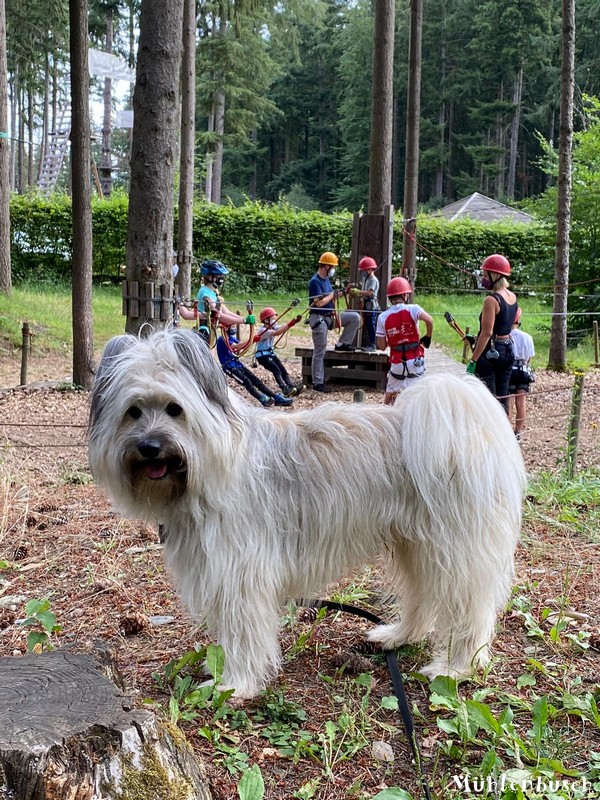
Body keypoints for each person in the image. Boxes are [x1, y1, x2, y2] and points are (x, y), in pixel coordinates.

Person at [466, 254, 518, 413]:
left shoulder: (491, 300)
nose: (483, 278)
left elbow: (487, 333)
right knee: (502, 397)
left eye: (485, 274)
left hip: (491, 352)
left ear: (494, 275)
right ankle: (506, 432)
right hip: (508, 349)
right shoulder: (512, 296)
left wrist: (473, 359)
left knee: (487, 399)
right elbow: (503, 326)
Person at [308, 251, 361, 393]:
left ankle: (342, 343)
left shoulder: (326, 281)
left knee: (354, 318)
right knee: (320, 350)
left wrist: (344, 291)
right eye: (332, 267)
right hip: (319, 319)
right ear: (325, 266)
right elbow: (319, 303)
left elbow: (331, 296)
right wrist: (332, 294)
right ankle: (317, 382)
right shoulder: (315, 282)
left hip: (330, 317)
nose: (333, 270)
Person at [376, 276, 434, 405]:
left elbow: (381, 346)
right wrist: (428, 337)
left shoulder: (382, 317)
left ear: (390, 298)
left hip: (397, 363)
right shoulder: (413, 309)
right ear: (405, 295)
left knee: (390, 396)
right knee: (419, 396)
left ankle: (385, 417)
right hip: (415, 360)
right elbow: (429, 320)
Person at [216, 325, 293, 407]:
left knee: (256, 381)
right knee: (247, 382)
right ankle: (262, 399)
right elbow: (236, 347)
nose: (234, 328)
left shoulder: (231, 338)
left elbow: (242, 345)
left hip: (238, 365)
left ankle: (275, 397)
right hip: (230, 368)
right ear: (226, 327)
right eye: (233, 326)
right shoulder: (222, 339)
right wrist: (252, 339)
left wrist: (252, 340)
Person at [254, 307, 304, 397]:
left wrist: (294, 322)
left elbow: (281, 328)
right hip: (262, 356)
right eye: (272, 319)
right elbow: (277, 333)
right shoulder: (263, 331)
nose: (275, 321)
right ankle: (284, 388)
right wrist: (290, 324)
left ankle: (292, 387)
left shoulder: (272, 326)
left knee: (283, 370)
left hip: (269, 354)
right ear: (266, 321)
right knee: (276, 370)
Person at [508, 307, 535, 443]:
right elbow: (529, 358)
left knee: (509, 401)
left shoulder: (505, 336)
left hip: (509, 370)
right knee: (521, 402)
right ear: (518, 320)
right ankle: (517, 432)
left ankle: (506, 431)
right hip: (523, 370)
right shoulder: (528, 337)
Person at [356, 256, 380, 351]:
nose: (363, 272)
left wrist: (358, 292)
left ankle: (373, 345)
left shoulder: (373, 280)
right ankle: (370, 344)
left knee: (371, 325)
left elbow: (369, 293)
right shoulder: (367, 279)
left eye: (364, 270)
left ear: (369, 270)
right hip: (366, 305)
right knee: (367, 325)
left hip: (371, 306)